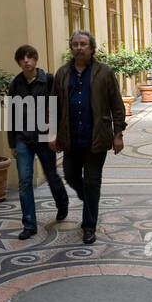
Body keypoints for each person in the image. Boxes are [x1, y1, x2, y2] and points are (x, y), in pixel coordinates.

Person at [49, 31, 126, 245]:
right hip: (71, 138)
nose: (79, 48)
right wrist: (52, 133)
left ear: (91, 48)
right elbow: (53, 106)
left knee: (92, 181)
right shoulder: (63, 73)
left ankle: (89, 226)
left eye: (83, 44)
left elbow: (116, 105)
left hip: (97, 137)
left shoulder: (105, 72)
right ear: (71, 48)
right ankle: (89, 200)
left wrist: (118, 134)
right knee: (71, 174)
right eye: (75, 44)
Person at [8, 45, 68, 240]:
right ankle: (29, 224)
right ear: (18, 62)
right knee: (25, 181)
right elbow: (12, 114)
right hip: (23, 139)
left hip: (44, 137)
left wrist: (54, 135)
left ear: (36, 59)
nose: (26, 61)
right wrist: (12, 142)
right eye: (22, 58)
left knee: (51, 176)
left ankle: (62, 202)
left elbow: (57, 109)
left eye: (30, 57)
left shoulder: (48, 80)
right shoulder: (15, 84)